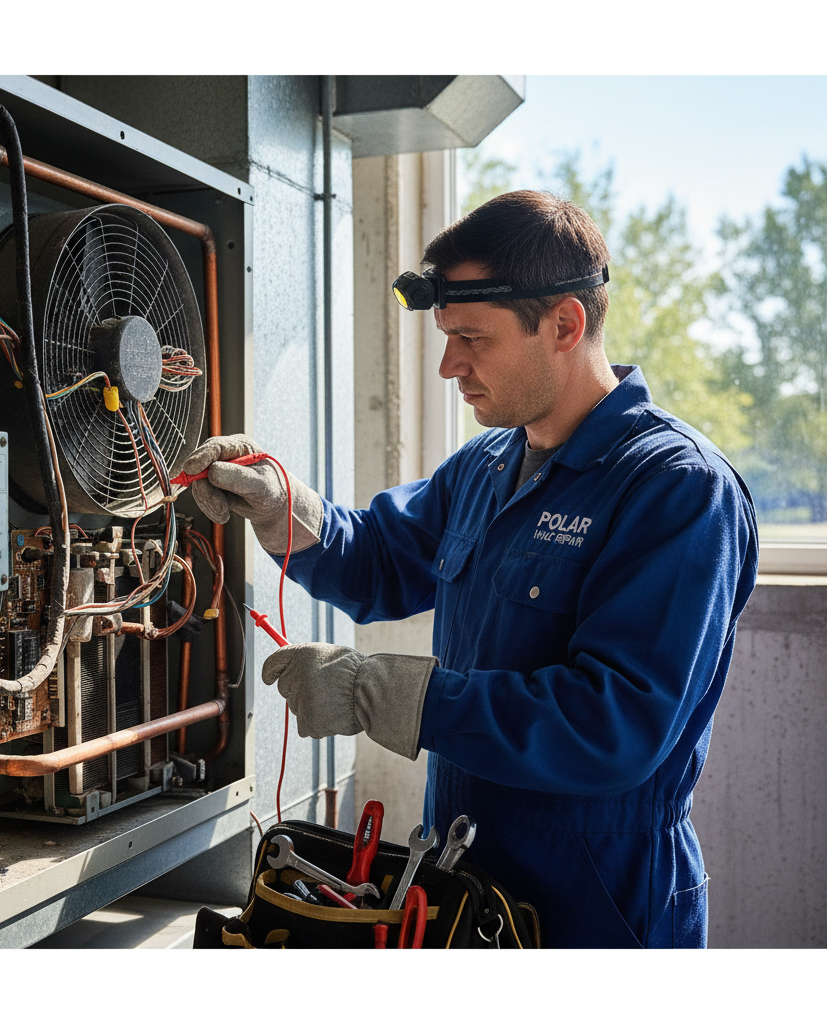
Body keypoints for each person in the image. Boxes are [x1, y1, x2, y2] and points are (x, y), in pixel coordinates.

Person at [183, 190, 758, 948]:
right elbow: (380, 559)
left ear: (565, 325)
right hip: (464, 880)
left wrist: (381, 692)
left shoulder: (676, 489)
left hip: (599, 901)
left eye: (472, 339)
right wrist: (281, 505)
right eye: (446, 336)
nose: (451, 364)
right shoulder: (490, 463)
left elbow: (612, 724)